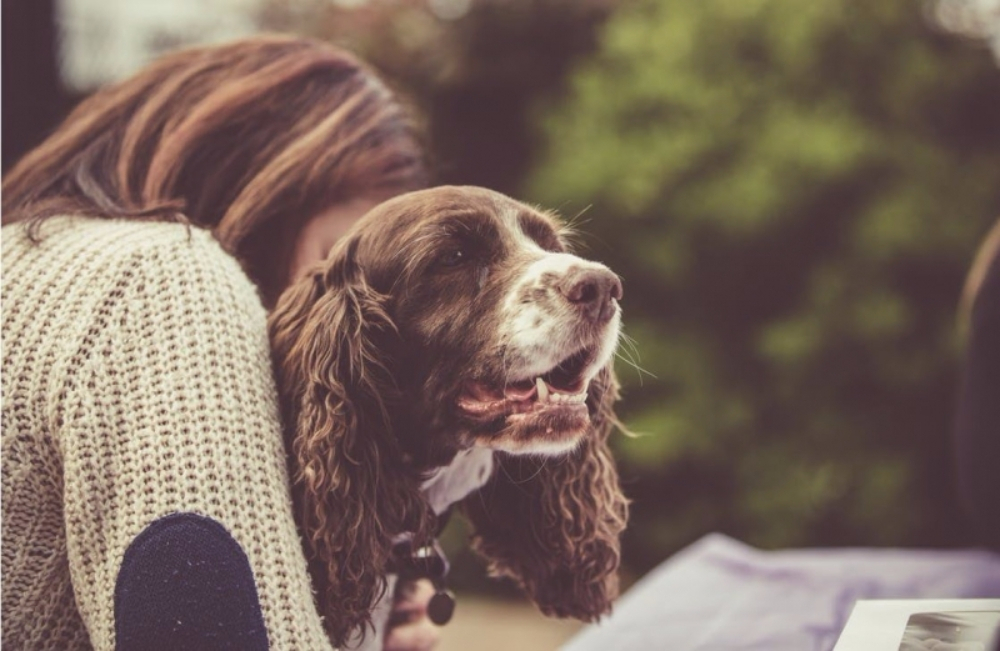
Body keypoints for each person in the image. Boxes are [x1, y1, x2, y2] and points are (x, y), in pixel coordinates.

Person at [2, 35, 440, 651]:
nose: (349, 326)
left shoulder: (27, 263)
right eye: (334, 269)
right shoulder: (161, 280)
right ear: (260, 195)